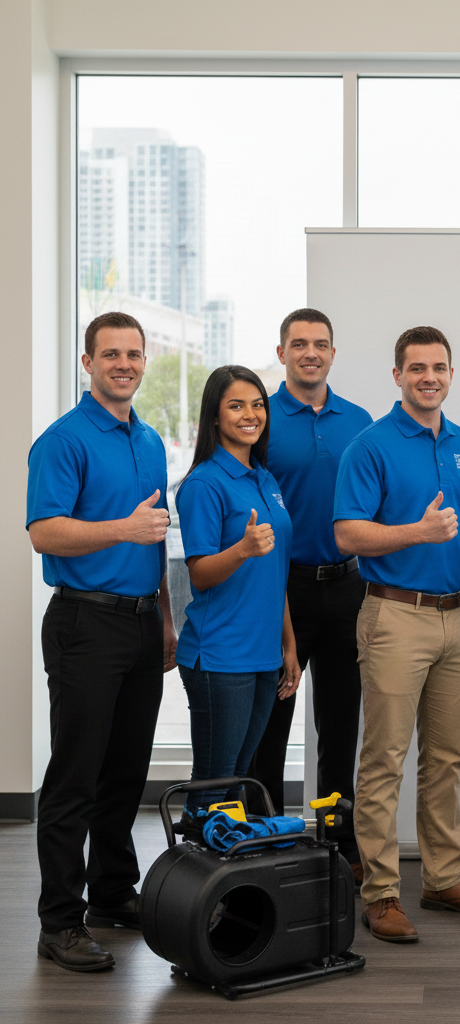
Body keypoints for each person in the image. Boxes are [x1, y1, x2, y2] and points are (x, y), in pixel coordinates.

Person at [333, 325, 460, 942]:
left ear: (451, 374)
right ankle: (380, 892)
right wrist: (417, 531)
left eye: (439, 367)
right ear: (398, 376)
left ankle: (444, 879)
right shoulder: (370, 445)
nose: (428, 377)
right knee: (384, 759)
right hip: (394, 616)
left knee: (445, 758)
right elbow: (348, 535)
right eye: (416, 368)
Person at [28, 311, 176, 972]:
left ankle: (113, 894)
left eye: (134, 353)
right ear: (88, 362)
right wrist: (120, 530)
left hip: (142, 620)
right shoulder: (63, 440)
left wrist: (166, 618)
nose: (124, 363)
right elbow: (44, 533)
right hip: (85, 623)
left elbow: (156, 537)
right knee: (75, 778)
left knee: (124, 774)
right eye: (111, 353)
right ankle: (59, 922)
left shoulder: (147, 441)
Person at [248, 309, 372, 878]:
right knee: (272, 726)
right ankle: (268, 844)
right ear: (281, 353)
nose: (310, 353)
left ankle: (336, 843)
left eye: (320, 344)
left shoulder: (360, 422)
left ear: (333, 352)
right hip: (283, 590)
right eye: (299, 344)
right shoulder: (261, 419)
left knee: (340, 727)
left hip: (348, 586)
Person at [174, 365, 300, 820]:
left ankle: (228, 886)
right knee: (215, 780)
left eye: (258, 404)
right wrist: (243, 549)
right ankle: (196, 887)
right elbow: (201, 574)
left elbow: (277, 572)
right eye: (236, 405)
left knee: (239, 776)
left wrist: (289, 644)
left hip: (265, 654)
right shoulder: (204, 484)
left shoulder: (264, 478)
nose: (251, 414)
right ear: (214, 417)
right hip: (221, 656)